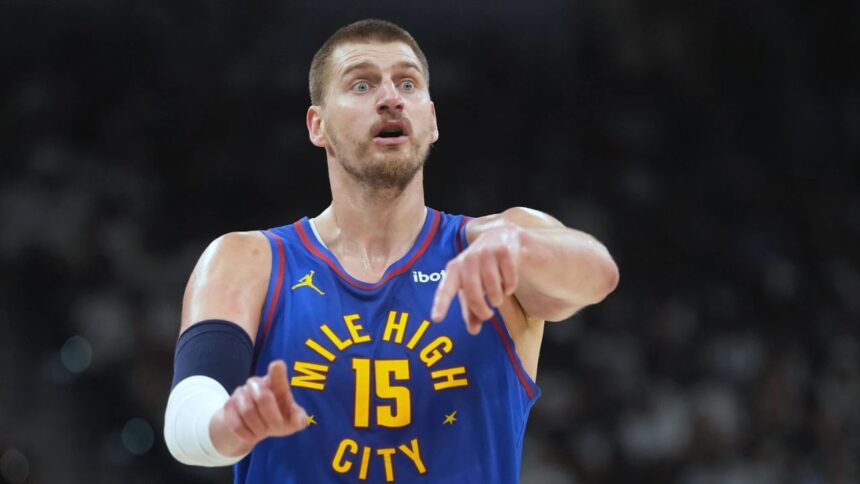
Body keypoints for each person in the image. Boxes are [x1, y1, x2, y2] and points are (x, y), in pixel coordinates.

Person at [163, 18, 619, 483]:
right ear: (317, 125)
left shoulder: (497, 243)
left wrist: (522, 249)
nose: (390, 97)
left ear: (432, 119)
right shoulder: (247, 260)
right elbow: (186, 421)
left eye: (407, 83)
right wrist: (229, 425)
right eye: (361, 84)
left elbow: (598, 273)